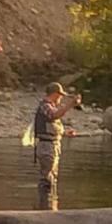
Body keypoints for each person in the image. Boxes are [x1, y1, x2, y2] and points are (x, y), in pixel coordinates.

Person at [34, 82, 81, 210]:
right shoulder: (45, 106)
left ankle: (49, 207)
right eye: (60, 95)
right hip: (46, 147)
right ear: (55, 94)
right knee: (47, 180)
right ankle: (44, 208)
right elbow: (54, 115)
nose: (61, 98)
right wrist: (70, 104)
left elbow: (52, 125)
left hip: (52, 146)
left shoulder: (50, 106)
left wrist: (65, 133)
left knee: (52, 179)